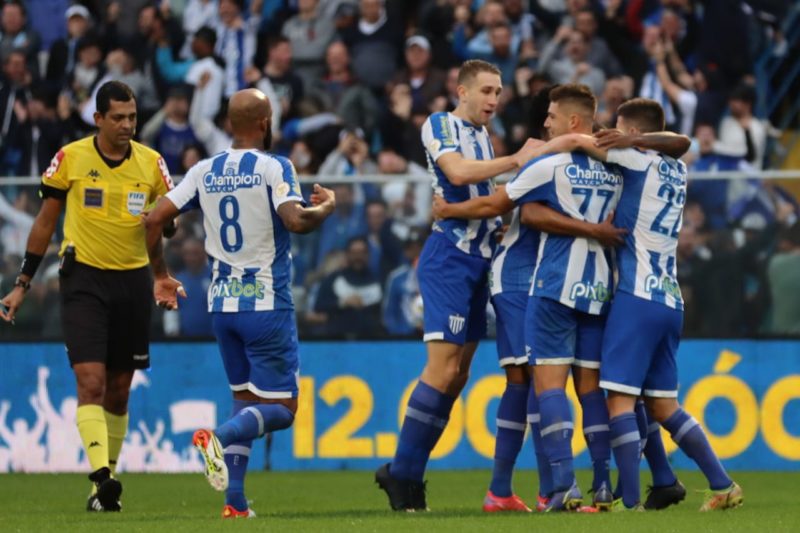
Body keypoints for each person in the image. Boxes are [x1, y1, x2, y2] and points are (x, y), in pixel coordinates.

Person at [142, 88, 335, 518]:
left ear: (230, 123)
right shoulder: (274, 167)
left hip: (222, 307)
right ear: (265, 124)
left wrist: (160, 275)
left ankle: (235, 503)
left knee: (246, 400)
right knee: (283, 409)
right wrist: (327, 208)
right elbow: (297, 220)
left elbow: (154, 219)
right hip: (265, 303)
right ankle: (218, 436)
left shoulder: (202, 170)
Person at [557, 98, 743, 511]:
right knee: (662, 405)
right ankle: (723, 484)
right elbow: (678, 142)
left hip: (637, 295)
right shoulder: (677, 168)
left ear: (635, 134)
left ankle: (630, 504)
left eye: (620, 128)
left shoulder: (636, 158)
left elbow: (578, 140)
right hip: (669, 299)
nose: (612, 134)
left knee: (619, 401)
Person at [374, 59, 541, 512]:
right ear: (462, 91)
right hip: (449, 258)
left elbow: (482, 193)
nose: (493, 100)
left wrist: (502, 221)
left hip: (480, 260)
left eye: (498, 92)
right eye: (486, 91)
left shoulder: (484, 137)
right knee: (442, 370)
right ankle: (402, 473)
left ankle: (408, 474)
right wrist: (518, 159)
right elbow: (460, 174)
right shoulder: (440, 124)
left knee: (459, 376)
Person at [0, 81, 174, 512]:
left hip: (133, 282)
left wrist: (163, 246)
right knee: (91, 382)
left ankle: (103, 490)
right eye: (117, 117)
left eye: (132, 117)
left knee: (118, 391)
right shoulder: (71, 158)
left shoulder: (153, 164)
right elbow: (44, 223)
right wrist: (23, 283)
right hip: (83, 281)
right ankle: (101, 477)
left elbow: (165, 226)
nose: (126, 125)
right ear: (97, 119)